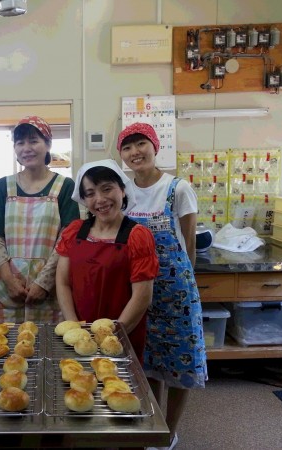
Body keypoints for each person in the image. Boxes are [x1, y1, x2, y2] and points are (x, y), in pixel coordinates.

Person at [118, 122, 207, 450]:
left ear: (155, 147)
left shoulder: (178, 188)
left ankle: (170, 431)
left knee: (180, 361)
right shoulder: (124, 191)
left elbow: (189, 245)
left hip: (176, 291)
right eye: (127, 147)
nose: (135, 152)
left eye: (141, 144)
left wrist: (183, 283)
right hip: (139, 289)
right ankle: (155, 426)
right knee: (150, 361)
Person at [55, 159, 159, 362]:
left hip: (122, 334)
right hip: (80, 332)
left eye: (107, 189)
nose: (100, 199)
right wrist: (74, 328)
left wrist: (111, 337)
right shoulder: (74, 232)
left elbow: (142, 297)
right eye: (90, 193)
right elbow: (63, 282)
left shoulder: (138, 236)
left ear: (122, 190)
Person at [0, 115, 80, 324]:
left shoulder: (65, 186)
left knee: (47, 342)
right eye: (20, 143)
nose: (26, 148)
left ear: (48, 144)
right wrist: (9, 280)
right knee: (3, 341)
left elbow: (67, 239)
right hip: (9, 287)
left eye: (33, 141)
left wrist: (43, 283)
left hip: (50, 286)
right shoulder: (3, 186)